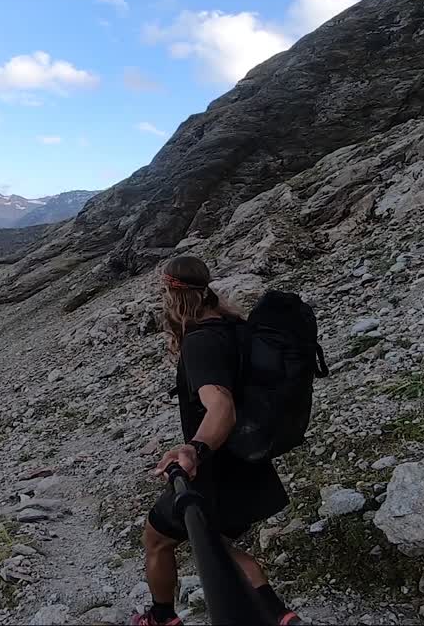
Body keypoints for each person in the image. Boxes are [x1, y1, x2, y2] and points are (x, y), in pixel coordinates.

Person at [131, 255, 302, 626]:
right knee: (214, 544)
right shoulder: (233, 327)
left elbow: (221, 405)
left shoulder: (201, 343)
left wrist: (195, 449)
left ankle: (162, 618)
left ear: (172, 295)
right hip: (249, 462)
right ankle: (279, 615)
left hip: (215, 468)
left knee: (158, 538)